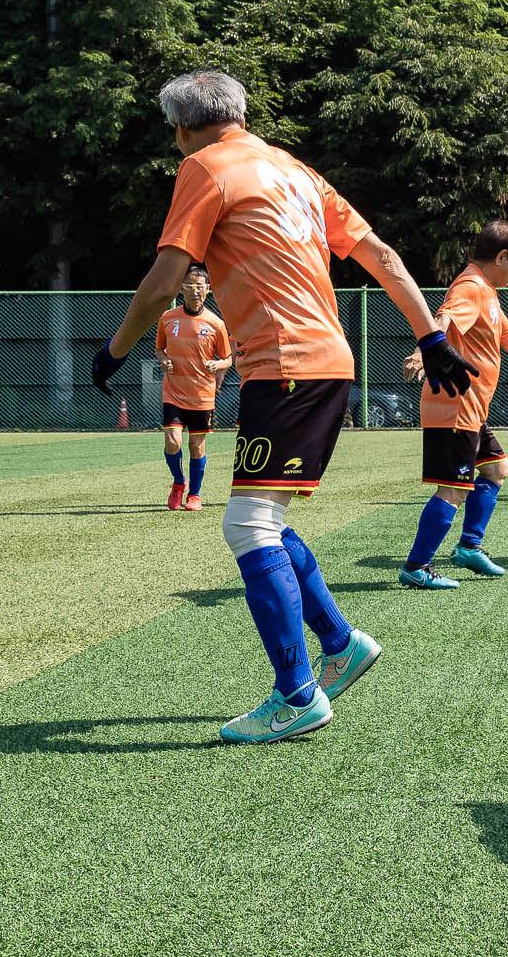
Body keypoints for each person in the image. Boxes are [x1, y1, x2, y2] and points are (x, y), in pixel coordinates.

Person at [90, 71, 469, 745]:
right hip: (324, 359)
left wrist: (116, 350)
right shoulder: (292, 167)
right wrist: (430, 334)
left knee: (247, 528)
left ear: (182, 128)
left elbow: (165, 279)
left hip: (286, 365)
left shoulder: (204, 168)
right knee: (261, 517)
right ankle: (339, 642)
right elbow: (379, 253)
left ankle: (298, 694)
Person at [400, 223, 508, 587]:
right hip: (455, 405)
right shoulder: (471, 287)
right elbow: (443, 318)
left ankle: (468, 547)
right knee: (454, 489)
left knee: (496, 469)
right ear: (501, 257)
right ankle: (416, 567)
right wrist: (421, 351)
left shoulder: (486, 290)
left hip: (471, 409)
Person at [155, 265, 233, 511]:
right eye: (189, 285)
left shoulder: (216, 323)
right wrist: (163, 359)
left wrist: (218, 364)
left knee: (196, 445)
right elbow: (159, 348)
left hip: (201, 395)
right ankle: (179, 483)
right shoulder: (167, 318)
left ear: (208, 290)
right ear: (181, 288)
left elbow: (229, 359)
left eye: (200, 286)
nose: (195, 291)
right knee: (172, 441)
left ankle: (195, 495)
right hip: (173, 392)